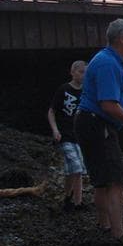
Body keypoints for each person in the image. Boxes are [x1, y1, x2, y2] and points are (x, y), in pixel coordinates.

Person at [74, 18, 123, 239]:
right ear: (122, 39)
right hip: (97, 124)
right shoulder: (108, 63)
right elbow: (107, 104)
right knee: (115, 182)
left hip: (90, 122)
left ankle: (104, 226)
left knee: (101, 181)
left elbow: (109, 106)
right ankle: (119, 235)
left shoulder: (106, 60)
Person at [47, 60, 88, 212]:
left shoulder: (86, 91)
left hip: (80, 136)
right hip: (65, 135)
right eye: (81, 72)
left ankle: (72, 200)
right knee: (76, 168)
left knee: (77, 169)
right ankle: (73, 200)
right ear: (72, 72)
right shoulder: (64, 89)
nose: (83, 75)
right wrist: (55, 130)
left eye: (86, 73)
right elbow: (51, 111)